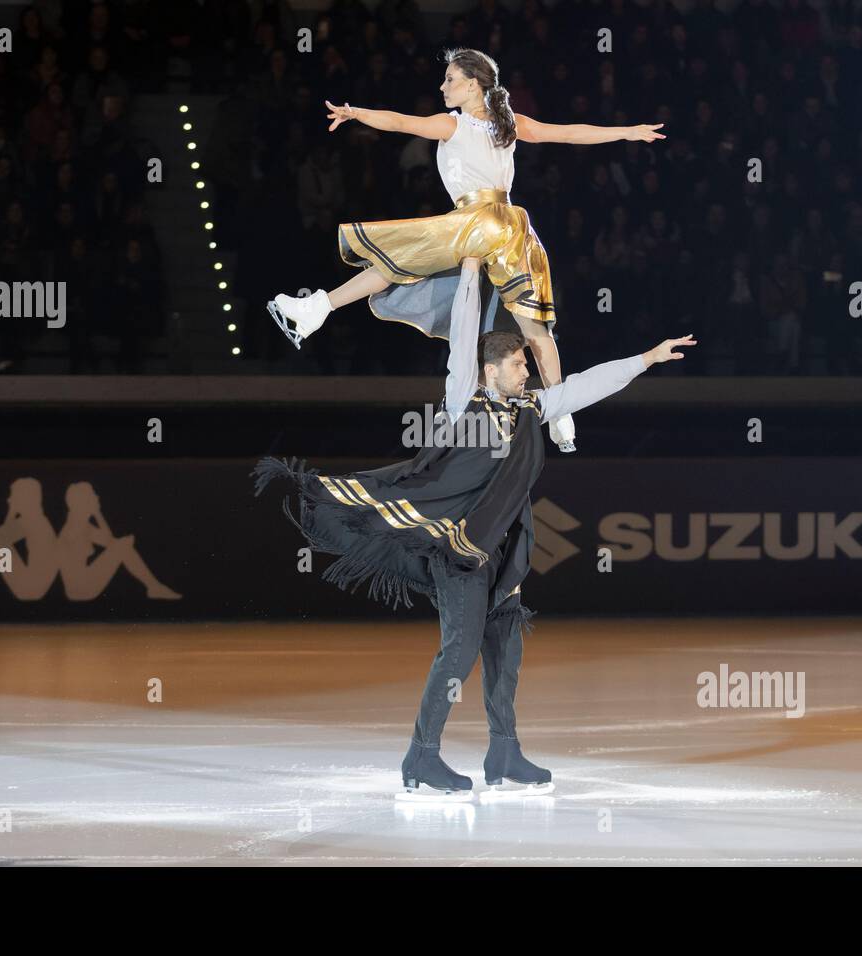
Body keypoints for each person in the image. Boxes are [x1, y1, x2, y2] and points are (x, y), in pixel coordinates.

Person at [253, 256, 696, 796]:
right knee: (459, 651)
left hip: (502, 555)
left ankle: (504, 753)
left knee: (505, 646)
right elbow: (464, 333)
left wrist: (647, 358)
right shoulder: (464, 396)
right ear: (490, 370)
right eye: (516, 364)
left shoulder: (532, 408)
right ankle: (421, 758)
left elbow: (587, 386)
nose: (525, 371)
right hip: (458, 551)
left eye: (524, 364)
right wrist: (467, 269)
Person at [266, 47, 666, 453]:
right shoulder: (509, 125)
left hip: (478, 221)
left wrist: (357, 114)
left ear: (473, 84)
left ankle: (318, 308)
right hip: (513, 228)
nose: (443, 86)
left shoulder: (453, 125)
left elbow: (401, 122)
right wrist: (627, 132)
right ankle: (561, 416)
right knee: (537, 331)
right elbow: (566, 132)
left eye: (450, 79)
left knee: (400, 256)